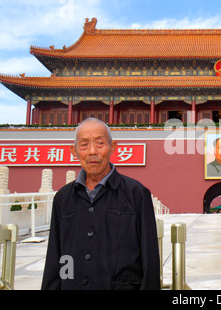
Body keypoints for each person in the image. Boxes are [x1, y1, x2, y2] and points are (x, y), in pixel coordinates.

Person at [41, 118, 160, 290]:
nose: (92, 151)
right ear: (74, 151)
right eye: (84, 145)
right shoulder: (63, 198)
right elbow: (55, 258)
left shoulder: (136, 194)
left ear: (113, 147)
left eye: (100, 143)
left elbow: (150, 261)